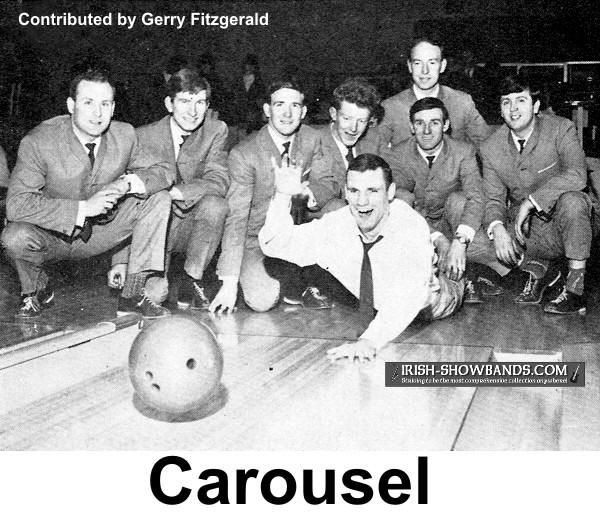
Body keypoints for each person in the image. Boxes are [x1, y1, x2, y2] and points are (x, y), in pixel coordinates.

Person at [2, 68, 172, 319]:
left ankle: (133, 294)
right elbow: (16, 204)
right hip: (52, 236)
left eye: (105, 104)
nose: (97, 113)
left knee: (159, 198)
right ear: (71, 105)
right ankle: (36, 289)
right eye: (88, 102)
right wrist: (83, 209)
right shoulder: (39, 141)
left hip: (102, 232)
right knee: (14, 236)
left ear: (113, 108)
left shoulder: (125, 134)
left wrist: (127, 183)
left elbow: (165, 170)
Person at [258, 153, 464, 360]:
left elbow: (409, 295)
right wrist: (282, 196)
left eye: (373, 191)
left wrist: (370, 341)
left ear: (390, 192)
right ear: (346, 193)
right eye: (354, 191)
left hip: (433, 303)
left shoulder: (408, 224)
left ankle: (461, 273)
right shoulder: (337, 224)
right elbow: (275, 244)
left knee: (450, 281)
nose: (362, 202)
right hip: (382, 309)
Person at [209, 77, 331, 314]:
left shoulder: (311, 138)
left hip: (297, 231)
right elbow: (236, 219)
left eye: (294, 106)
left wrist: (306, 193)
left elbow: (328, 181)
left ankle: (303, 278)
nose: (287, 114)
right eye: (279, 105)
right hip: (258, 238)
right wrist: (229, 283)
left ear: (304, 111)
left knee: (335, 209)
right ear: (267, 110)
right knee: (261, 301)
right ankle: (287, 280)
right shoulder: (244, 153)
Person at [481, 73, 592, 315]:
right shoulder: (490, 148)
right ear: (500, 110)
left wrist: (531, 202)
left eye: (521, 100)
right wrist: (497, 228)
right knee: (479, 236)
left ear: (536, 106)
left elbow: (577, 175)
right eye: (506, 102)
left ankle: (575, 289)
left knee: (573, 201)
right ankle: (541, 270)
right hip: (528, 231)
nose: (513, 109)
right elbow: (493, 199)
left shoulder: (561, 128)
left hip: (569, 223)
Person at [119, 68, 230, 310]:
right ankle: (155, 278)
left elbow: (219, 180)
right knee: (155, 296)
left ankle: (192, 280)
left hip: (192, 226)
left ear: (207, 106)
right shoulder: (142, 137)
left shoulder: (216, 131)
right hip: (156, 232)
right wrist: (119, 262)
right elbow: (126, 204)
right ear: (169, 104)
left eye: (200, 102)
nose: (193, 111)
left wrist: (176, 193)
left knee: (217, 205)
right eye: (185, 102)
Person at [381, 97, 505, 303]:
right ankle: (461, 274)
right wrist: (437, 238)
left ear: (446, 125)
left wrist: (460, 241)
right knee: (399, 198)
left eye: (434, 123)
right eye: (420, 123)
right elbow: (399, 203)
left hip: (454, 225)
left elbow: (476, 196)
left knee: (459, 200)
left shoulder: (463, 151)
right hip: (419, 228)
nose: (427, 131)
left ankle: (471, 269)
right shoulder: (397, 155)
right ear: (411, 127)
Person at [375, 37, 490, 149]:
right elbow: (376, 150)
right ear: (410, 66)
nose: (425, 71)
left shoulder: (461, 102)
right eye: (417, 63)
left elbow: (487, 145)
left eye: (432, 63)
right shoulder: (390, 107)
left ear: (442, 66)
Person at [308, 78, 381, 215]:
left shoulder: (373, 140)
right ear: (333, 114)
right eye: (347, 119)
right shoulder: (314, 142)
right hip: (326, 215)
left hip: (365, 213)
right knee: (337, 206)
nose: (353, 128)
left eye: (361, 121)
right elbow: (322, 191)